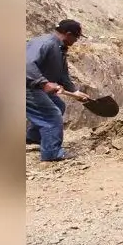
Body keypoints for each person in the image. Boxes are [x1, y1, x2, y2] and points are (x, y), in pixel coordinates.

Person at [25, 19, 90, 162]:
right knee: (52, 116)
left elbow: (62, 75)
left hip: (34, 85)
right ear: (68, 34)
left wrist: (75, 92)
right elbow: (26, 64)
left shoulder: (60, 48)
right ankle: (52, 153)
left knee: (59, 105)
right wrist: (43, 83)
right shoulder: (46, 43)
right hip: (27, 86)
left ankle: (35, 137)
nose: (77, 41)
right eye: (77, 37)